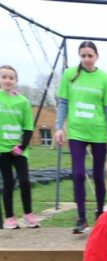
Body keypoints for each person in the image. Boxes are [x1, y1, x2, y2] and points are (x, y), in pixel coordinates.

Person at [55, 40, 107, 235]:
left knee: (99, 175)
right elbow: (63, 103)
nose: (87, 59)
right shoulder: (69, 75)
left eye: (90, 55)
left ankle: (100, 213)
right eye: (83, 56)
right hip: (76, 132)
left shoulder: (104, 79)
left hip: (98, 132)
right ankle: (81, 217)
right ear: (79, 56)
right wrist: (58, 127)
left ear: (96, 56)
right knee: (78, 174)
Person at [0, 65, 37, 229]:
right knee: (8, 183)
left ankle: (28, 214)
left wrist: (21, 147)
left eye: (11, 77)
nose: (7, 80)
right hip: (2, 151)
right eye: (4, 77)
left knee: (24, 181)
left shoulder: (23, 102)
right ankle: (9, 218)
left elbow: (28, 127)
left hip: (19, 150)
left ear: (16, 80)